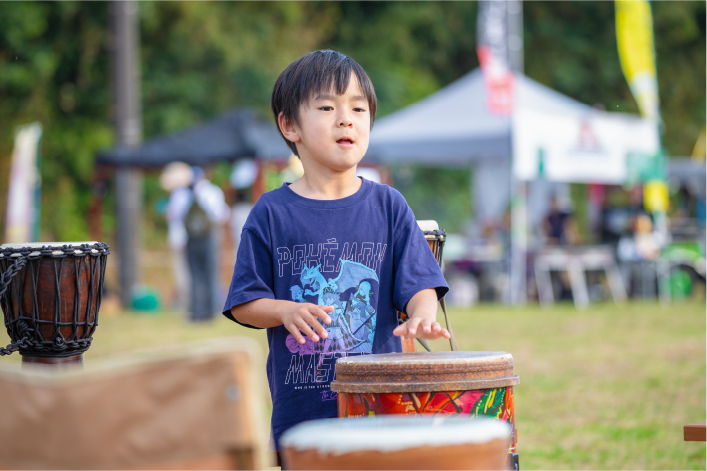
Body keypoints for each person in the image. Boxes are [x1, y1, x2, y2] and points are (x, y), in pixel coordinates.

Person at [222, 50, 450, 453]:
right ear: (289, 125)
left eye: (358, 108)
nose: (346, 118)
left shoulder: (389, 205)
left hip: (381, 408)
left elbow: (420, 284)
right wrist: (285, 311)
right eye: (327, 106)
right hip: (304, 414)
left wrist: (422, 316)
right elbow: (245, 301)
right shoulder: (271, 212)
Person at [169, 167, 229, 321]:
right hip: (208, 238)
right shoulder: (212, 191)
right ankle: (211, 312)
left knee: (194, 275)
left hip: (190, 239)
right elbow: (222, 215)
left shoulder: (181, 192)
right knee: (210, 274)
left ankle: (196, 312)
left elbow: (174, 216)